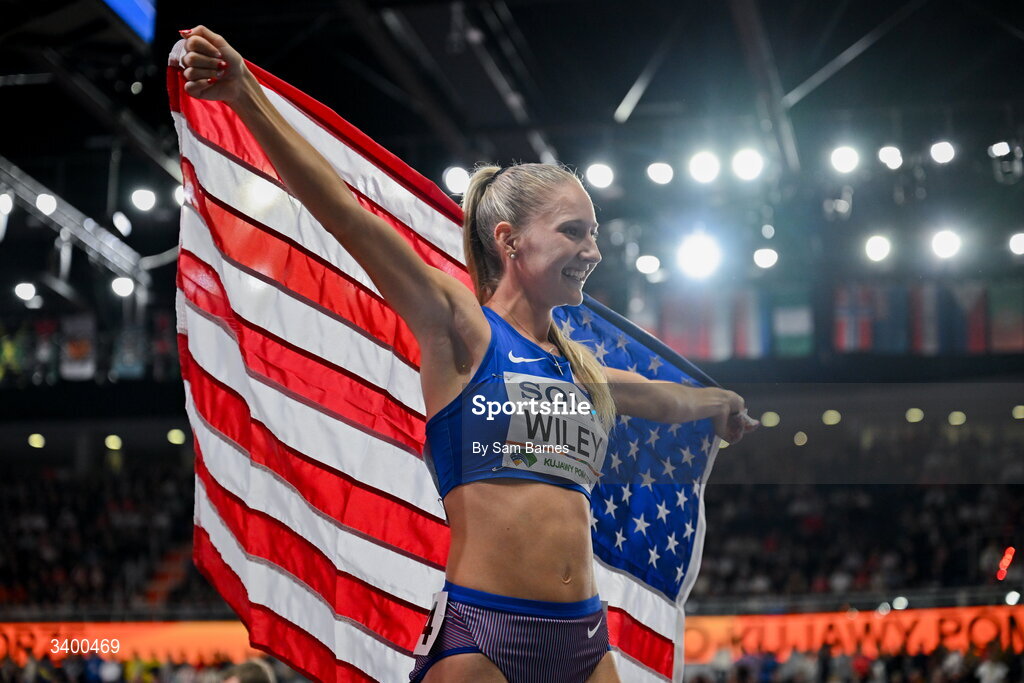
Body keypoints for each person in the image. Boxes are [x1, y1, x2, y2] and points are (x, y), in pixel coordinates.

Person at [177, 25, 761, 682]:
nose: (594, 251)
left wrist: (719, 404)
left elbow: (658, 396)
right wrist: (246, 94)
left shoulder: (580, 368)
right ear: (510, 241)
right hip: (486, 631)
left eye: (595, 234)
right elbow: (346, 218)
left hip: (585, 636)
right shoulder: (460, 329)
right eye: (574, 232)